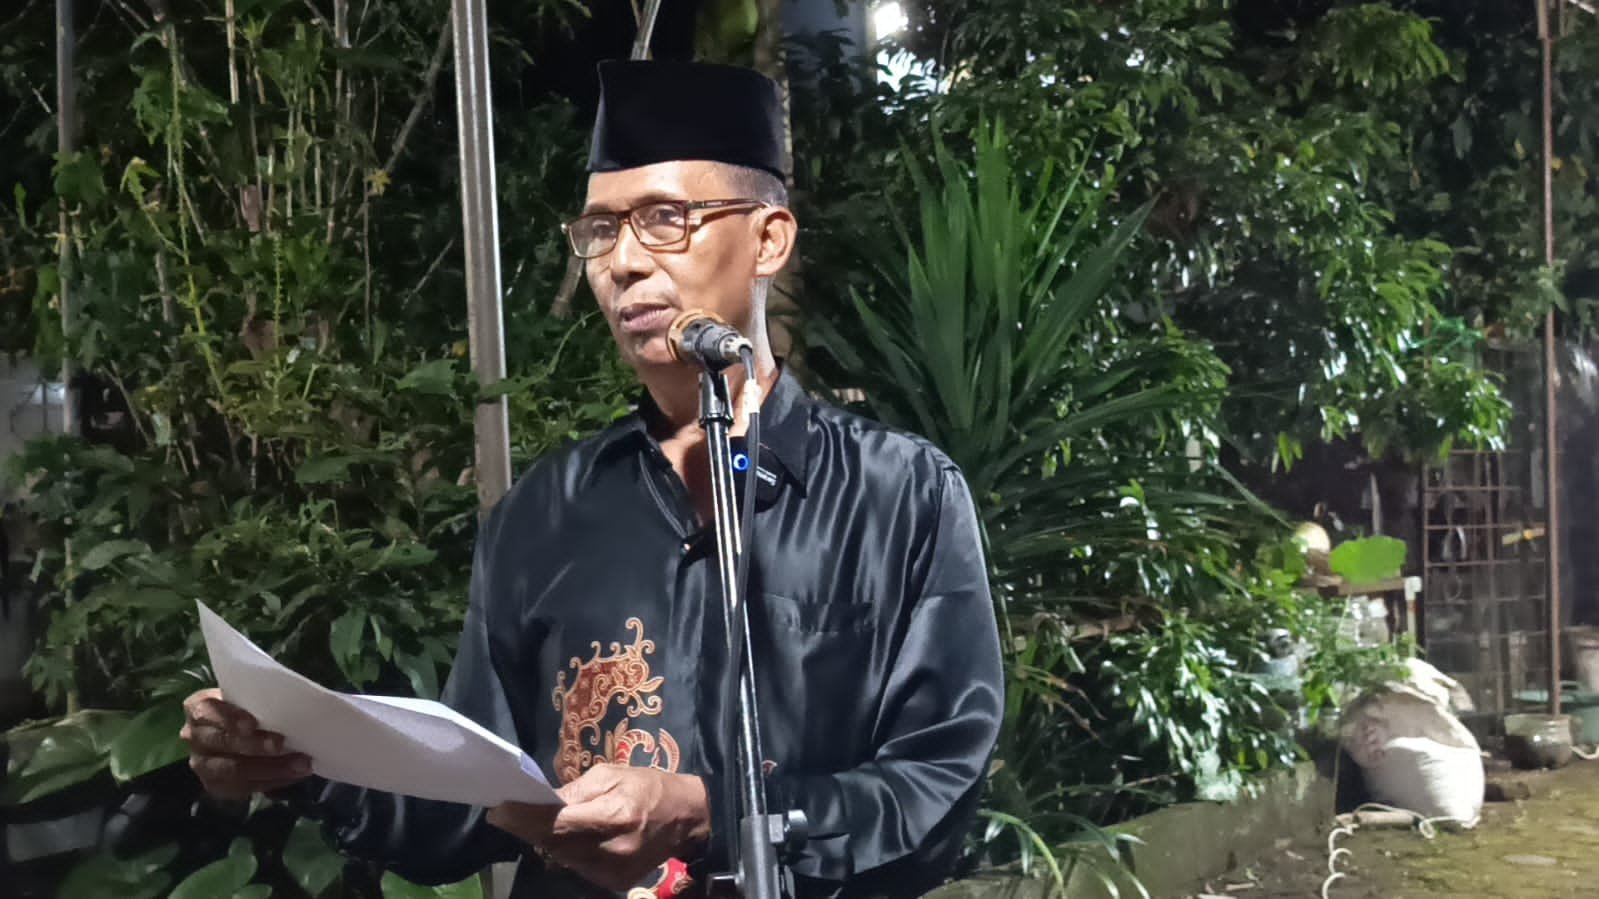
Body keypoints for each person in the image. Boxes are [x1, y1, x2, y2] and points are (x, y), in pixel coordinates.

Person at [179, 59, 1004, 899]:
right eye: (601, 229)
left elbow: (933, 795)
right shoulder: (545, 511)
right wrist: (301, 760)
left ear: (768, 240)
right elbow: (463, 810)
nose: (624, 262)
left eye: (665, 218)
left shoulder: (900, 494)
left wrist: (708, 813)